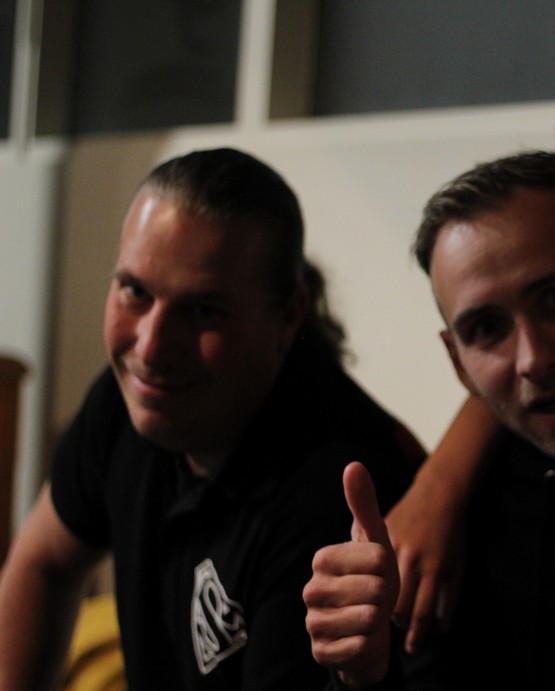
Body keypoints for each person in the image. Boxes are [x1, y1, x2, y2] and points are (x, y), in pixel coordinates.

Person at [0, 148, 422, 690]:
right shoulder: (128, 398)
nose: (150, 348)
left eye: (201, 311)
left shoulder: (333, 494)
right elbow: (44, 561)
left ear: (288, 316)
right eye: (135, 292)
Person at [304, 151, 555, 690]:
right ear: (458, 363)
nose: (533, 360)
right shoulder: (462, 536)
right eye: (487, 329)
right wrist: (363, 678)